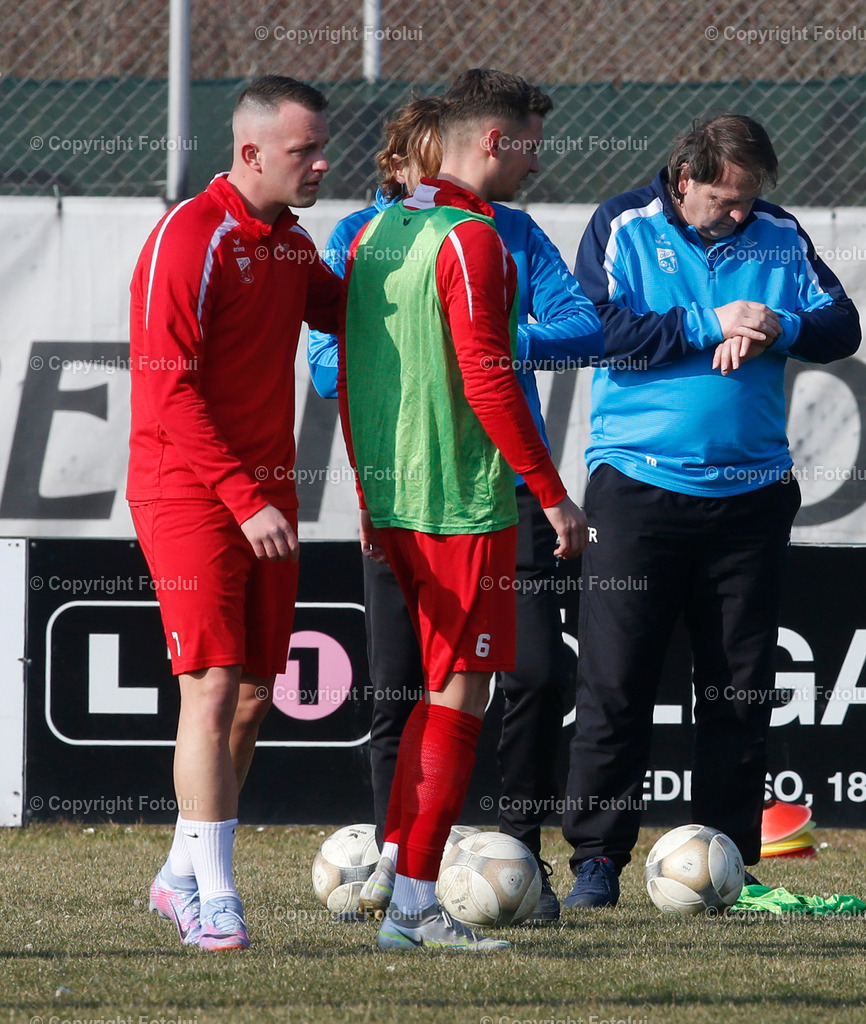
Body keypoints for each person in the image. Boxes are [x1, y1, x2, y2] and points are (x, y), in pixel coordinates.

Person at [308, 95, 602, 924]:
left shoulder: (375, 237)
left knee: (444, 691)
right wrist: (550, 492)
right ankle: (412, 906)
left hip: (399, 499)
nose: (537, 163)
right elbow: (484, 377)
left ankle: (407, 882)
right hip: (466, 502)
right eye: (529, 147)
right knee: (453, 697)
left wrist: (368, 491)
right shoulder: (467, 240)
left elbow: (360, 378)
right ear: (483, 146)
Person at [562, 113, 861, 908]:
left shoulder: (777, 232)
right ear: (683, 178)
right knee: (615, 683)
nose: (738, 213)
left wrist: (775, 323)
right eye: (724, 198)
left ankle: (728, 857)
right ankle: (596, 859)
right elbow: (595, 330)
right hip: (637, 487)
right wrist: (710, 322)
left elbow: (842, 326)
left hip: (753, 495)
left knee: (736, 688)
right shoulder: (620, 226)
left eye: (749, 198)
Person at [127, 75, 341, 950]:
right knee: (211, 687)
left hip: (263, 494)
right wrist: (243, 496)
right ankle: (214, 895)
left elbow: (353, 311)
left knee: (254, 697)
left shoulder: (289, 242)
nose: (322, 163)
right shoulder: (190, 234)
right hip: (190, 493)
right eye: (304, 150)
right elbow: (166, 389)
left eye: (322, 147)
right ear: (250, 152)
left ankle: (179, 873)